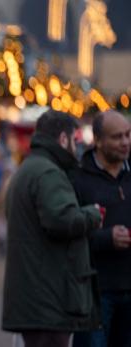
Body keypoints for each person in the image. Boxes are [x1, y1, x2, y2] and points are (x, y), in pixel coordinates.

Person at [2, 110, 102, 347]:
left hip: (36, 295)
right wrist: (92, 214)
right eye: (74, 141)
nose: (77, 148)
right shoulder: (48, 172)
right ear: (63, 139)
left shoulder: (31, 168)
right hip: (49, 297)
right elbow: (62, 220)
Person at [71, 110, 131, 347]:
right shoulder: (78, 178)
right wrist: (106, 238)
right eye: (117, 137)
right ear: (98, 140)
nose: (125, 142)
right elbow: (70, 231)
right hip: (96, 293)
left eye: (128, 135)